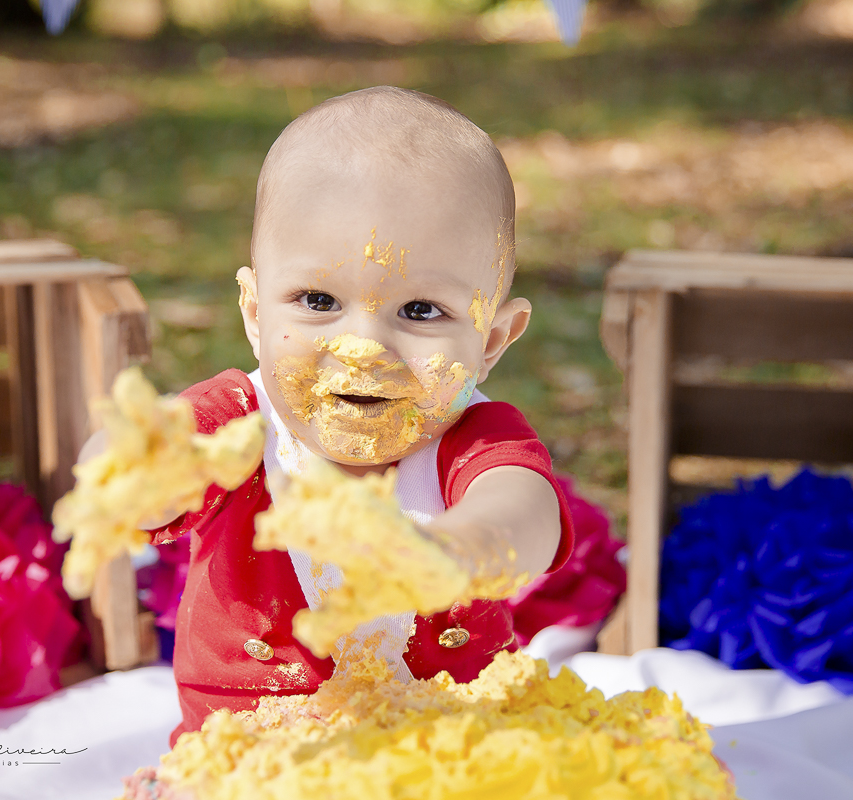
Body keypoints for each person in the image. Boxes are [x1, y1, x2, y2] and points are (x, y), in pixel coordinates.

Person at [130, 86, 574, 745]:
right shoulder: (234, 424)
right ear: (255, 314)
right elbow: (131, 475)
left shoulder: (473, 438)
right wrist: (134, 476)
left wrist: (461, 547)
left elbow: (526, 511)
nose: (364, 348)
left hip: (447, 754)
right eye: (317, 299)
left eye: (420, 311)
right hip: (250, 757)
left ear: (489, 342)